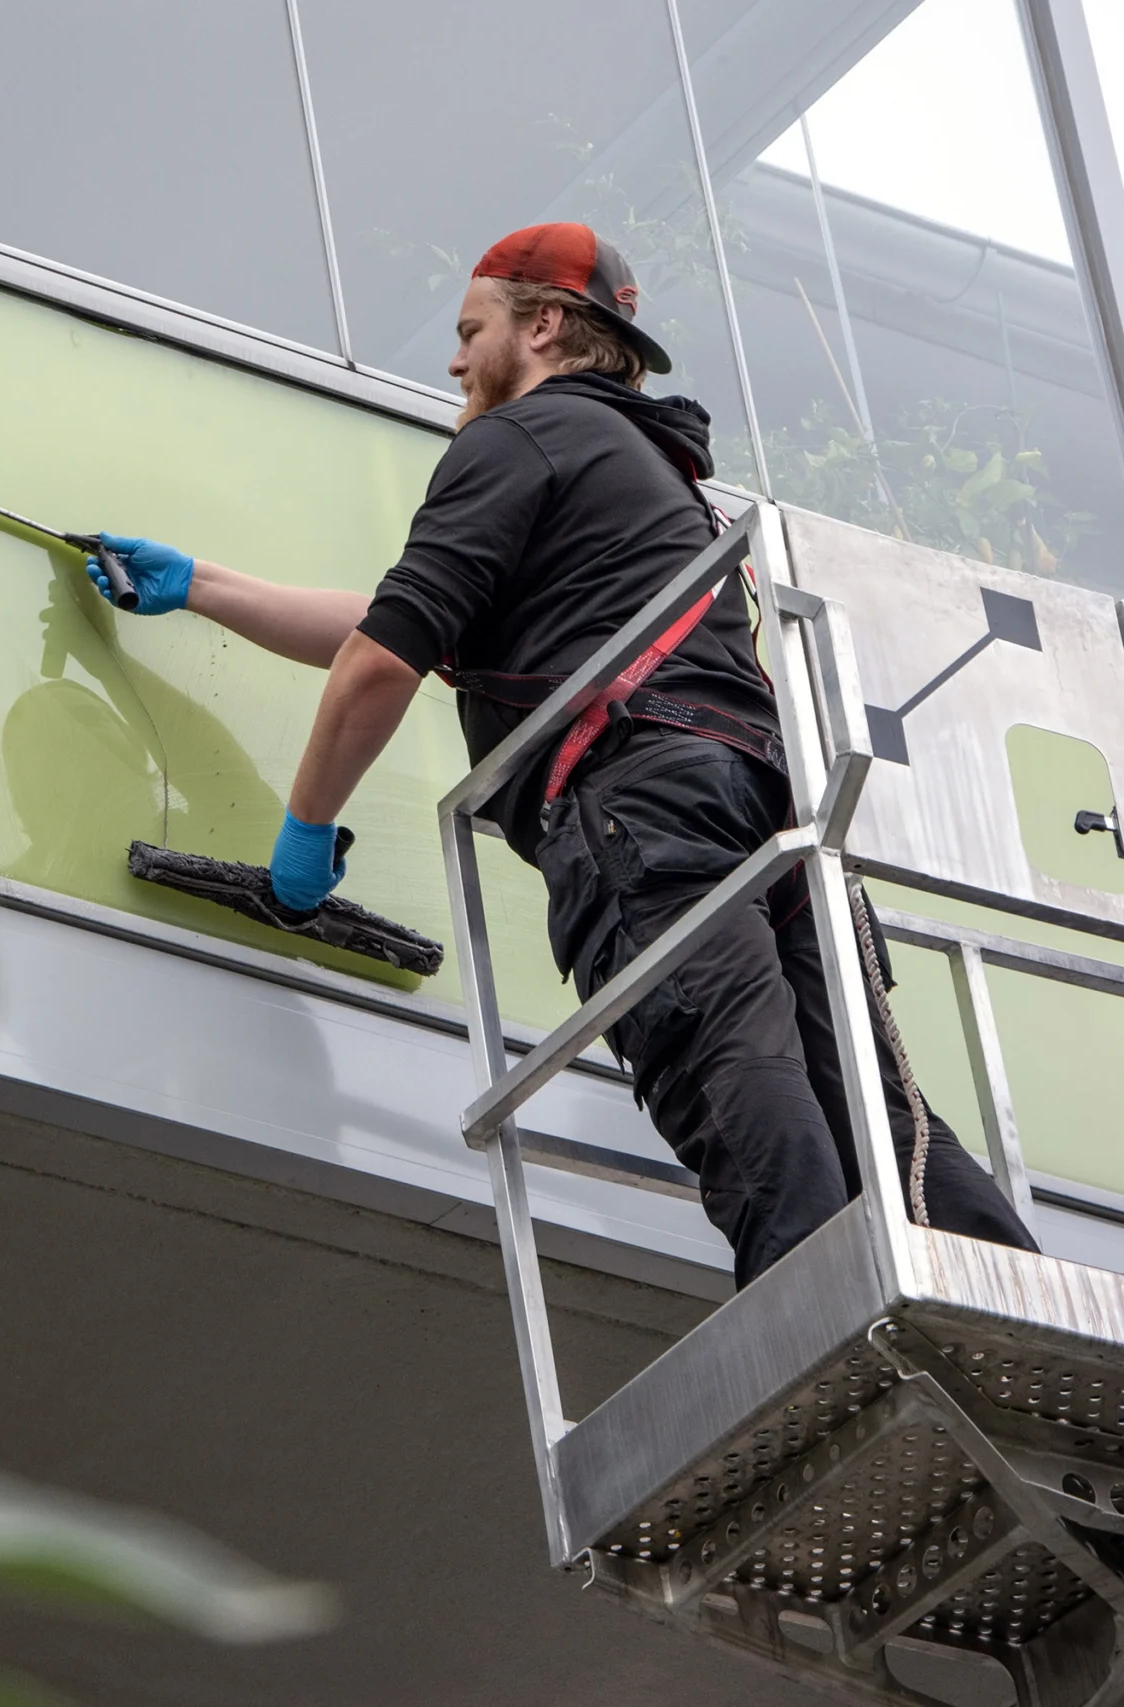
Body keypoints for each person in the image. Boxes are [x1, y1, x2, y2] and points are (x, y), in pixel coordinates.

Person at [87, 222, 1035, 1288]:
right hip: (769, 813)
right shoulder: (641, 470)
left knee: (730, 1067)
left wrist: (301, 838)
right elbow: (395, 623)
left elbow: (379, 666)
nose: (451, 359)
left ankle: (822, 1329)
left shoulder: (514, 441)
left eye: (468, 329)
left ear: (539, 325)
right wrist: (203, 585)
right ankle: (1032, 1324)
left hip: (644, 812)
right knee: (878, 1114)